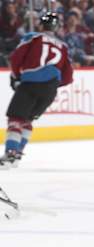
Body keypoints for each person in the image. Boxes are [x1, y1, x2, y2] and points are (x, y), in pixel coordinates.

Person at [0, 12, 73, 169]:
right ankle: (18, 154)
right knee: (28, 120)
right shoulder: (63, 46)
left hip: (30, 83)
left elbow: (15, 58)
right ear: (57, 27)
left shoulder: (33, 37)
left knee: (16, 118)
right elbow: (68, 77)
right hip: (50, 89)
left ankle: (10, 154)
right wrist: (51, 84)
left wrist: (17, 77)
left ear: (41, 25)